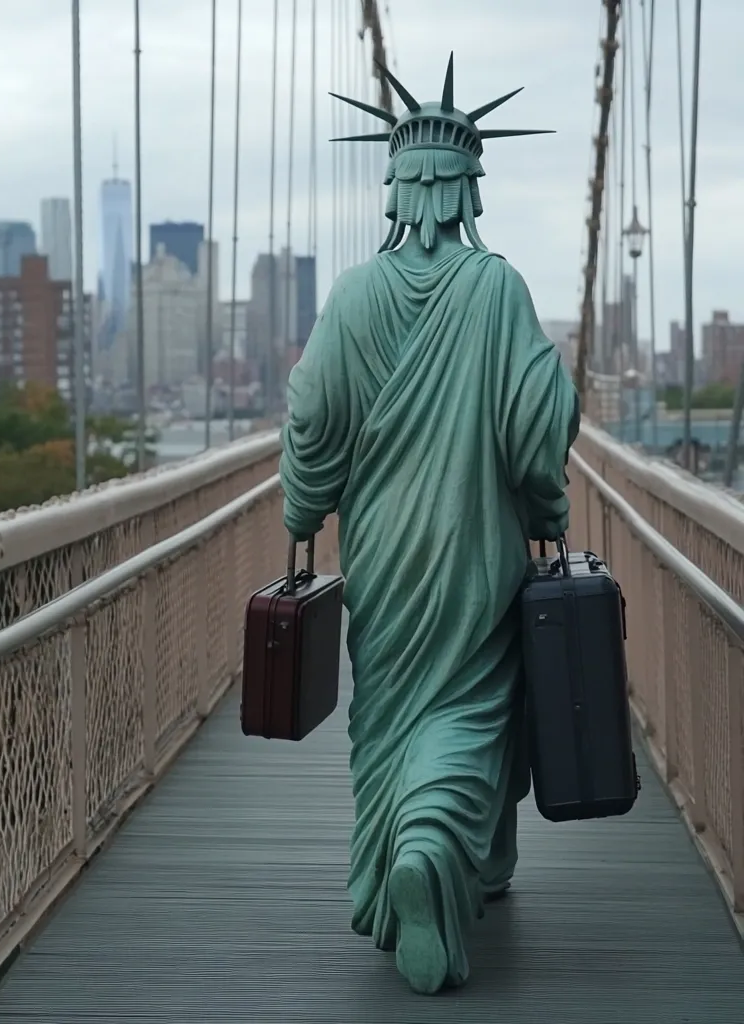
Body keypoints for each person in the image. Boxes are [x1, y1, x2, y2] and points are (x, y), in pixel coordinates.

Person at [279, 56, 580, 995]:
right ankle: (434, 851)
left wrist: (302, 510)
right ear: (466, 187)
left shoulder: (352, 296)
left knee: (393, 713)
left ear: (398, 185)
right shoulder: (498, 290)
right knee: (469, 710)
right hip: (475, 556)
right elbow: (538, 427)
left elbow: (310, 417)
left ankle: (397, 867)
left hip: (383, 562)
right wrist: (548, 509)